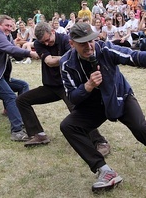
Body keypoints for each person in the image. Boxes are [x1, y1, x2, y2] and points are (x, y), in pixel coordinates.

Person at [59, 22, 146, 196]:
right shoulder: (66, 63)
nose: (89, 46)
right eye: (83, 43)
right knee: (68, 126)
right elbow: (72, 97)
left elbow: (136, 56)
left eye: (91, 41)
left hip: (120, 97)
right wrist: (87, 86)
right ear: (71, 43)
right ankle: (104, 171)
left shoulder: (105, 50)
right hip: (93, 105)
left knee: (142, 128)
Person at [15, 22, 110, 154]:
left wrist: (61, 58)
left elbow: (68, 59)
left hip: (67, 86)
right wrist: (65, 57)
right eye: (44, 42)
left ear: (53, 31)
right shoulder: (38, 43)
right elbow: (49, 62)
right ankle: (39, 134)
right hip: (50, 86)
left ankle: (100, 141)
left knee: (78, 112)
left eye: (48, 40)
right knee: (21, 100)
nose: (46, 44)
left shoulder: (66, 39)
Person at [0, 15, 39, 141]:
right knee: (10, 96)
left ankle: (21, 117)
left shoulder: (7, 35)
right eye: (7, 25)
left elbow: (14, 51)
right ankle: (17, 131)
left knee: (23, 85)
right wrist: (30, 53)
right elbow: (10, 48)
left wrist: (23, 54)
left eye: (11, 26)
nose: (10, 28)